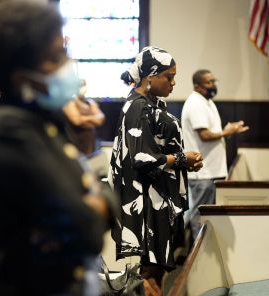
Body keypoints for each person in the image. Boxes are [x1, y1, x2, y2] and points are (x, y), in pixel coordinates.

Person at [0, 1, 118, 295]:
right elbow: (84, 229)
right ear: (20, 75)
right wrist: (92, 204)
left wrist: (97, 201)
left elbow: (100, 193)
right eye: (55, 58)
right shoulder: (8, 128)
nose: (66, 66)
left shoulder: (41, 119)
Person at [108, 46, 203, 295]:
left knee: (156, 269)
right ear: (150, 76)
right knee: (151, 273)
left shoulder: (149, 103)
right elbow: (142, 158)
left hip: (158, 198)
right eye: (168, 77)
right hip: (147, 201)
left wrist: (184, 161)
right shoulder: (138, 107)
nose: (173, 83)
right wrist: (182, 159)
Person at [181, 69, 249, 239]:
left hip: (211, 171)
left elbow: (212, 131)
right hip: (203, 173)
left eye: (214, 81)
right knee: (198, 218)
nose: (213, 85)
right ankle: (195, 262)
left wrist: (227, 130)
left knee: (204, 218)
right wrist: (227, 132)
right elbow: (204, 135)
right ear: (197, 86)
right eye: (209, 82)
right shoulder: (195, 103)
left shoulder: (206, 101)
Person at [63, 79, 105, 155]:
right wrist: (92, 118)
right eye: (80, 86)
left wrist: (84, 118)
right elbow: (76, 120)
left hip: (91, 142)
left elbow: (101, 119)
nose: (83, 88)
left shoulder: (90, 102)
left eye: (84, 85)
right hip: (76, 141)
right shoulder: (70, 101)